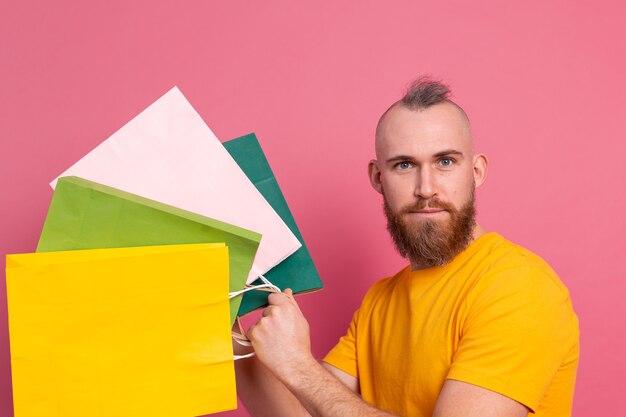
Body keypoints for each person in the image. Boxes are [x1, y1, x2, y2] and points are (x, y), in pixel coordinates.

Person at [234, 77, 579, 417]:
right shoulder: (379, 302)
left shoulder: (519, 287)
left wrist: (297, 365)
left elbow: (311, 385)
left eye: (445, 162)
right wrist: (225, 323)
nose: (426, 188)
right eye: (404, 165)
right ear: (377, 178)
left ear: (476, 172)